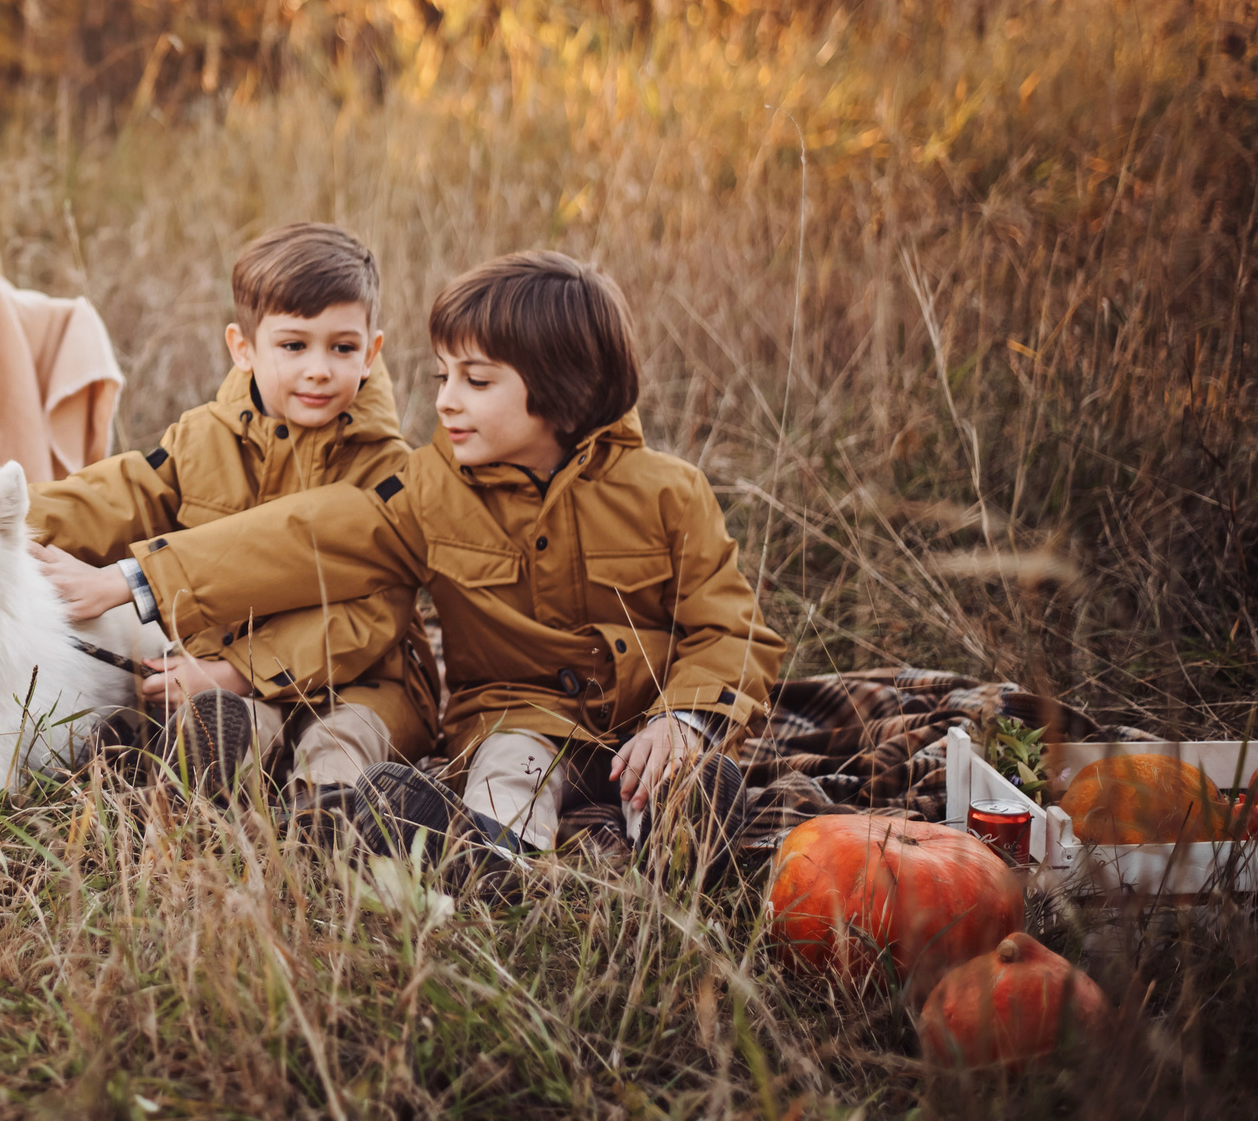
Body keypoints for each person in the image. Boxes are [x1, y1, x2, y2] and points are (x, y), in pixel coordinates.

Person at [38, 250, 783, 875]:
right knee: (509, 768)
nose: (448, 403)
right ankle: (491, 865)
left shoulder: (669, 493)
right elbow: (306, 536)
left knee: (670, 774)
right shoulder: (430, 489)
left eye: (477, 381)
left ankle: (678, 839)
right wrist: (136, 579)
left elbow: (729, 628)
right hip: (514, 715)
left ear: (566, 392)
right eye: (443, 378)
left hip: (646, 715)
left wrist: (685, 719)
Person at [25, 223, 439, 816]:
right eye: (294, 346)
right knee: (231, 723)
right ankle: (187, 766)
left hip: (365, 680)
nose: (319, 369)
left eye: (342, 348)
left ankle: (326, 819)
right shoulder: (203, 438)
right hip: (222, 670)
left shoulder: (389, 468)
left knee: (338, 739)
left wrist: (239, 671)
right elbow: (118, 493)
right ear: (243, 348)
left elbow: (373, 618)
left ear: (371, 353)